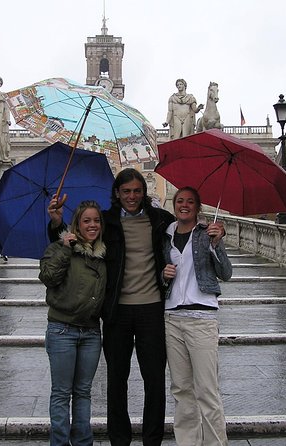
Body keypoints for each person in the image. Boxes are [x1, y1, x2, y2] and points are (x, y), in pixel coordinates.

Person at [48, 168, 176, 446]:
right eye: (126, 191)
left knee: (154, 379)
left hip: (152, 310)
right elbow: (77, 240)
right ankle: (120, 439)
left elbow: (185, 237)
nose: (132, 196)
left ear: (144, 193)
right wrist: (56, 223)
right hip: (117, 311)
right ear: (117, 193)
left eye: (137, 191)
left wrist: (214, 231)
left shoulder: (161, 220)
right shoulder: (106, 221)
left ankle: (152, 439)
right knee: (116, 380)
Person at [162, 187, 232, 446]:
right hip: (172, 319)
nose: (184, 205)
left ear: (198, 207)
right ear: (173, 204)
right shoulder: (166, 235)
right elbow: (162, 274)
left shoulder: (207, 233)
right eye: (180, 200)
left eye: (190, 201)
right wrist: (163, 275)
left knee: (206, 391)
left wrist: (217, 244)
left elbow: (226, 273)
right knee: (181, 390)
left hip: (202, 318)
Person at [39, 200, 107, 446]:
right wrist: (65, 248)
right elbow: (48, 277)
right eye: (86, 220)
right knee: (61, 393)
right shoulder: (60, 246)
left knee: (83, 393)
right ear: (77, 223)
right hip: (62, 330)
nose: (92, 225)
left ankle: (83, 443)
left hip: (90, 332)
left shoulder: (103, 254)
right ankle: (59, 443)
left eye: (96, 220)